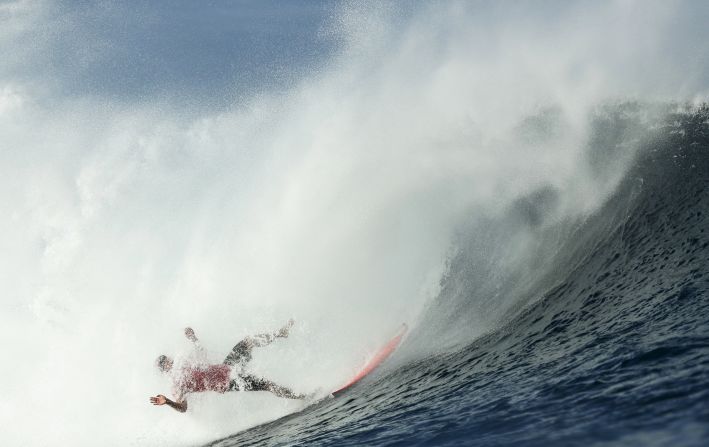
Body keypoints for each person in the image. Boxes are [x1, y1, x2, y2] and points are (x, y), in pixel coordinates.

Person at [149, 319, 304, 413]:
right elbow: (183, 408)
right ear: (165, 370)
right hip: (227, 383)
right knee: (267, 385)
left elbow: (202, 353)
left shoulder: (184, 363)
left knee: (247, 341)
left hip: (227, 367)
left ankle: (280, 333)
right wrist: (168, 402)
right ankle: (301, 397)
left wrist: (193, 338)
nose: (171, 362)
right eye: (166, 364)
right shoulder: (178, 385)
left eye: (168, 359)